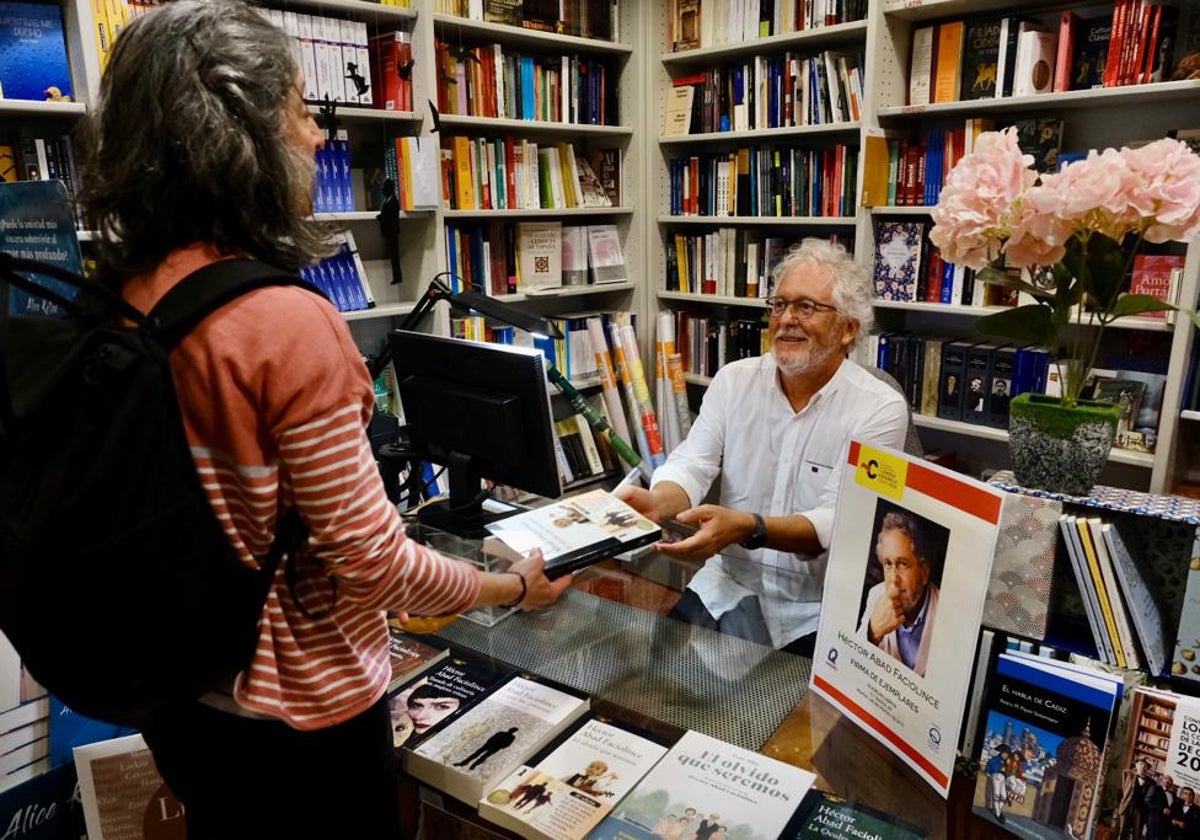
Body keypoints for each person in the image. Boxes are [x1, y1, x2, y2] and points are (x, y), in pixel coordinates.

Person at [76, 2, 573, 837]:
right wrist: (510, 587)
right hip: (299, 724)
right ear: (243, 133)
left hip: (183, 692)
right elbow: (375, 567)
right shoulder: (284, 321)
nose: (314, 137)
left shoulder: (120, 295)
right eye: (301, 110)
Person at [616, 239, 909, 655]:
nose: (786, 319)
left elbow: (834, 523)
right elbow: (692, 463)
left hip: (816, 612)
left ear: (848, 329)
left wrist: (750, 527)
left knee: (784, 720)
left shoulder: (879, 408)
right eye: (779, 304)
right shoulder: (734, 380)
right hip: (728, 588)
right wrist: (657, 502)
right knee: (658, 695)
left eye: (806, 307)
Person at [857, 511, 940, 677]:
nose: (893, 580)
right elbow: (851, 663)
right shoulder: (876, 596)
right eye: (888, 564)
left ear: (924, 572)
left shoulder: (944, 610)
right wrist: (871, 632)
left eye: (903, 564)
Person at [454, 726, 520, 771]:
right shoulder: (501, 732)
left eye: (513, 730)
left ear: (514, 731)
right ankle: (463, 763)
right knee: (475, 754)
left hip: (495, 748)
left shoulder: (511, 737)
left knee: (483, 757)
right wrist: (489, 743)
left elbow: (507, 744)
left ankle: (473, 765)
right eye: (511, 729)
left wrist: (499, 746)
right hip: (488, 745)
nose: (510, 730)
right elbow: (492, 737)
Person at [1119, 758, 1154, 840]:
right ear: (1136, 765)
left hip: (1140, 810)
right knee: (1123, 831)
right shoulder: (1128, 774)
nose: (1143, 767)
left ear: (1148, 769)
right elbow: (1124, 786)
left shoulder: (1151, 782)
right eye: (1141, 764)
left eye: (1145, 766)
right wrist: (1136, 771)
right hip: (1127, 806)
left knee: (1137, 834)